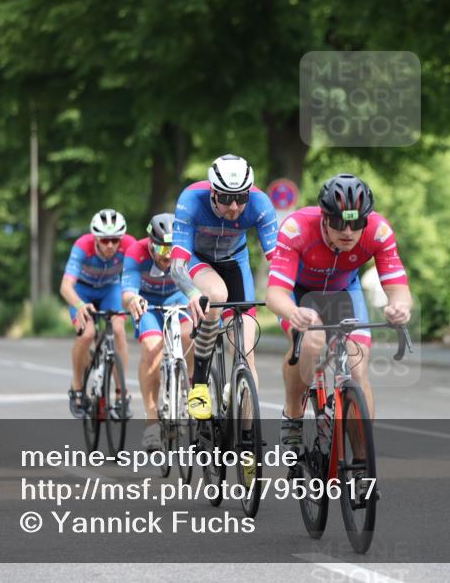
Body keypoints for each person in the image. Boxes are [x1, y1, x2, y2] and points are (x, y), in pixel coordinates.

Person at [265, 174, 412, 450]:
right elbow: (274, 295)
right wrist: (293, 312)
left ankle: (362, 464)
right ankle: (294, 414)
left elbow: (398, 288)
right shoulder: (297, 228)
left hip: (344, 291)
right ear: (324, 217)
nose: (347, 231)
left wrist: (400, 307)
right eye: (338, 222)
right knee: (310, 342)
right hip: (299, 294)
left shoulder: (378, 232)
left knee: (357, 370)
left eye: (356, 223)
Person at [169, 154, 278, 420]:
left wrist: (287, 297)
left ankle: (248, 444)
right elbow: (177, 265)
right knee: (216, 295)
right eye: (226, 198)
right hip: (199, 260)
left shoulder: (260, 203)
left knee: (245, 352)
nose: (233, 206)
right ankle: (199, 385)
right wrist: (193, 293)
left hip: (234, 262)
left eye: (241, 198)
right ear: (212, 191)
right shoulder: (191, 200)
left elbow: (279, 261)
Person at [122, 213, 194, 451]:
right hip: (149, 303)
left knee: (191, 334)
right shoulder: (136, 251)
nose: (168, 257)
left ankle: (190, 388)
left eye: (172, 251)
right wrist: (132, 300)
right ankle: (152, 422)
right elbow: (127, 291)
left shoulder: (186, 248)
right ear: (151, 245)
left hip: (178, 298)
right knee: (151, 349)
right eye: (163, 251)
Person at [60, 209, 136, 419]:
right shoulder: (82, 246)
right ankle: (77, 386)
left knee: (119, 331)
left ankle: (121, 394)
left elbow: (140, 272)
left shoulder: (130, 244)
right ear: (95, 238)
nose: (110, 245)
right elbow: (66, 287)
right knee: (87, 334)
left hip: (110, 289)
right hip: (82, 292)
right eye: (104, 240)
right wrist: (79, 305)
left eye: (114, 240)